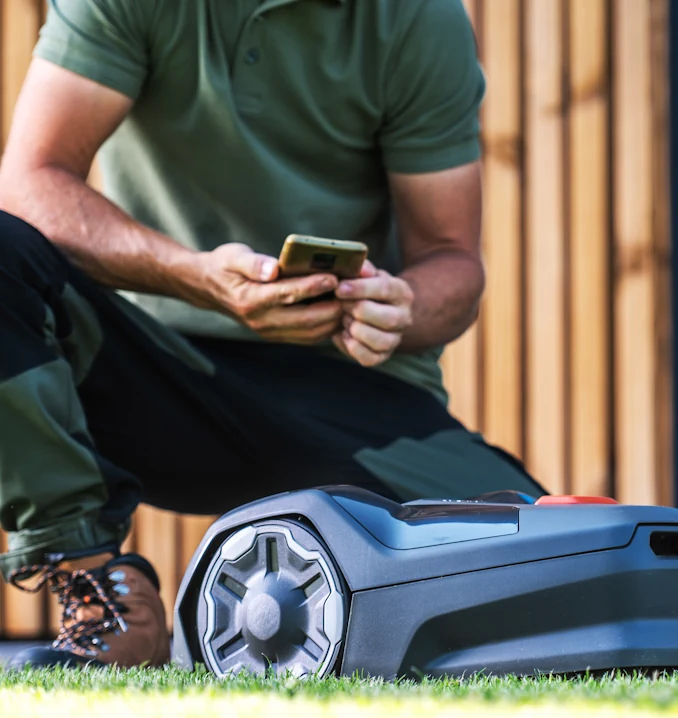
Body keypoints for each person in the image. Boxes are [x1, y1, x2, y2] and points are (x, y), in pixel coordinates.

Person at [0, 0, 545, 670]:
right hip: (157, 375)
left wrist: (401, 306)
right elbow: (28, 183)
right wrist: (198, 277)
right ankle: (102, 593)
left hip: (355, 388)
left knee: (550, 572)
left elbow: (453, 262)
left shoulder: (418, 18)